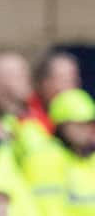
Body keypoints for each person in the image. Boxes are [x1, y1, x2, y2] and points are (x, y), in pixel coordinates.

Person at [23, 88, 95, 216]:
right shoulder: (45, 159)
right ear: (61, 125)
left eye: (90, 123)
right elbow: (49, 210)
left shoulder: (90, 159)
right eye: (79, 124)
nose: (87, 130)